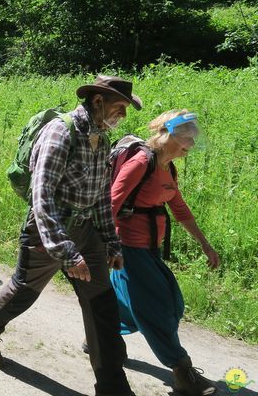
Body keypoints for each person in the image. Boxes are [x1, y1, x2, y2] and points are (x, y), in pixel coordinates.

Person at [0, 75, 141, 396]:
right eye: (119, 107)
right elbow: (42, 197)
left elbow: (102, 198)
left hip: (84, 229)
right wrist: (66, 250)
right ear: (97, 102)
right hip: (47, 229)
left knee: (101, 302)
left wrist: (110, 241)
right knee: (24, 289)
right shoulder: (60, 133)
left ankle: (112, 387)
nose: (122, 115)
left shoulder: (103, 140)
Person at [110, 110, 220, 396]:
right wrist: (107, 245)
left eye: (194, 139)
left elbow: (179, 208)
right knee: (159, 307)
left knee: (147, 302)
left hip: (148, 247)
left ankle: (103, 339)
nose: (191, 145)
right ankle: (182, 372)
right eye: (187, 138)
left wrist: (204, 243)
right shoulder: (140, 162)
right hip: (128, 247)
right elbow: (111, 203)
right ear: (167, 134)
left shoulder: (168, 167)